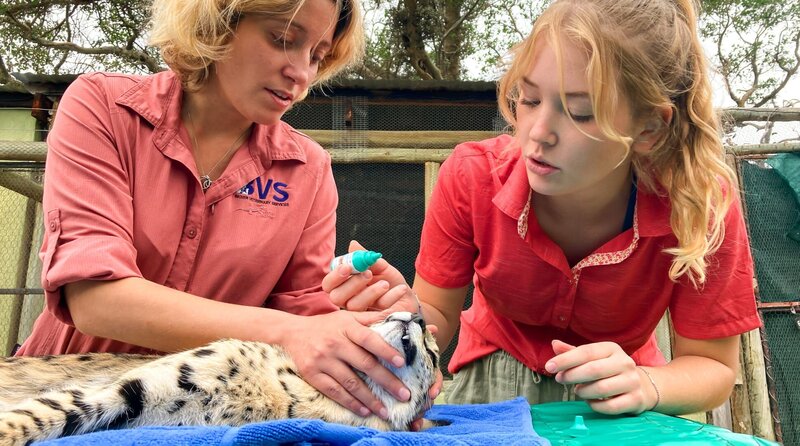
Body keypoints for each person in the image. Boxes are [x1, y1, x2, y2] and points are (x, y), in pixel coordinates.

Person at [324, 0, 762, 416]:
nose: (538, 132)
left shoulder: (699, 204)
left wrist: (648, 385)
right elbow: (436, 315)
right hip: (488, 384)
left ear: (648, 127)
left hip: (621, 393)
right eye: (529, 99)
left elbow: (714, 368)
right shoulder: (471, 175)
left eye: (579, 112)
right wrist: (402, 315)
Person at [17, 0, 414, 422]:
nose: (301, 73)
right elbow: (95, 300)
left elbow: (309, 317)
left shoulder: (308, 168)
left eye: (317, 56)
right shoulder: (103, 106)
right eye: (283, 39)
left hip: (199, 416)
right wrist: (291, 332)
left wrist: (386, 326)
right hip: (53, 402)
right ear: (216, 23)